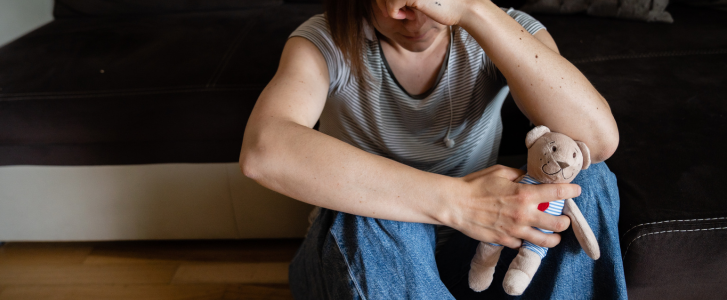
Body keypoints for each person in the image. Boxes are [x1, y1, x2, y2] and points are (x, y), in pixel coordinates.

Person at [240, 0, 625, 298]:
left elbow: (598, 140)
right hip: (363, 259)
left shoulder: (498, 29)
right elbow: (264, 151)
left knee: (585, 182)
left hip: (479, 257)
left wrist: (474, 9)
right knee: (367, 213)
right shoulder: (324, 40)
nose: (406, 13)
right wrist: (461, 202)